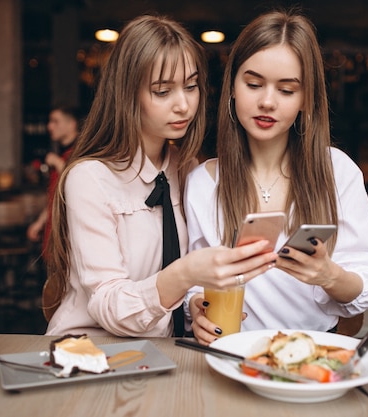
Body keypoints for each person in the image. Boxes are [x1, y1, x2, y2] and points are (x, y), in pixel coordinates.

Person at [43, 15, 278, 338]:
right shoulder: (90, 179)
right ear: (127, 93)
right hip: (89, 351)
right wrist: (183, 275)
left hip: (160, 355)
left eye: (191, 86)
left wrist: (192, 307)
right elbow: (107, 304)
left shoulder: (186, 168)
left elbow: (176, 295)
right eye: (162, 91)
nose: (183, 105)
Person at [184, 10, 368, 345]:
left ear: (306, 98)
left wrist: (329, 275)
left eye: (287, 90)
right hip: (231, 352)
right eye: (253, 84)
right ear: (233, 87)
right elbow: (195, 277)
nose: (267, 101)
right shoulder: (203, 184)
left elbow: (366, 282)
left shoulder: (337, 172)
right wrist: (197, 307)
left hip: (313, 352)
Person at [26, 104, 80, 250]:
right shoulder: (59, 151)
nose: (49, 126)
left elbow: (81, 185)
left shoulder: (82, 152)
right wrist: (40, 222)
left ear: (71, 124)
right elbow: (55, 195)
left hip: (71, 233)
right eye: (50, 122)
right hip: (54, 231)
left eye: (55, 121)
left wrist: (58, 163)